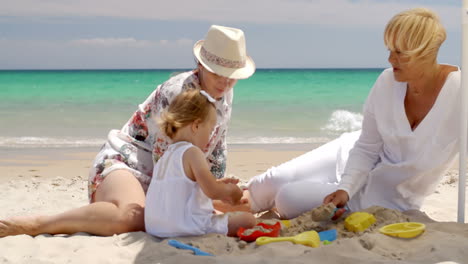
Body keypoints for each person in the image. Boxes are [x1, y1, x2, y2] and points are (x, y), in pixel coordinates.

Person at [0, 24, 255, 237]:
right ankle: (38, 225)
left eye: (232, 74)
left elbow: (216, 148)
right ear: (201, 64)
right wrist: (205, 194)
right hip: (127, 163)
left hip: (176, 173)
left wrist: (214, 184)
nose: (226, 81)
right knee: (132, 219)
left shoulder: (225, 92)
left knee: (242, 204)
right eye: (219, 72)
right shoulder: (177, 92)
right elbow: (165, 161)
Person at [244, 7, 461, 219]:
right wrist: (346, 187)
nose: (390, 59)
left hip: (385, 196)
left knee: (287, 197)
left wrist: (346, 192)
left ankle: (267, 211)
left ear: (425, 54)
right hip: (353, 155)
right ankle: (222, 213)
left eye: (400, 53)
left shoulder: (460, 94)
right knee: (270, 182)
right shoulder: (387, 81)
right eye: (390, 50)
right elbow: (367, 146)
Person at [145, 89, 256, 237]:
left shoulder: (166, 156)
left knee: (214, 212)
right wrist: (231, 191)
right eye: (210, 130)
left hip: (156, 227)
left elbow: (183, 188)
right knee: (248, 220)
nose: (210, 137)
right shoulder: (192, 152)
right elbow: (212, 191)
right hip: (185, 227)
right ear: (196, 126)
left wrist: (218, 182)